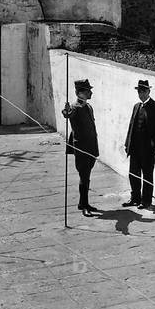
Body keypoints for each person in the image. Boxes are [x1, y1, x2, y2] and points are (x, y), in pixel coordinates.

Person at [123, 79, 155, 210]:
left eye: (143, 91)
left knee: (147, 175)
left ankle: (146, 201)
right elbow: (131, 125)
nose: (141, 94)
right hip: (135, 148)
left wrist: (154, 142)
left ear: (149, 91)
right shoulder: (136, 106)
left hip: (148, 149)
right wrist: (128, 143)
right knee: (133, 174)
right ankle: (134, 198)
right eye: (139, 91)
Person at [62, 78, 99, 216]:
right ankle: (84, 206)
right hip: (81, 148)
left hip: (91, 147)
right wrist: (66, 111)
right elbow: (67, 114)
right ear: (80, 93)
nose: (91, 93)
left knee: (87, 176)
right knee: (84, 176)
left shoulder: (88, 106)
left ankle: (83, 203)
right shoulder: (75, 107)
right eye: (88, 90)